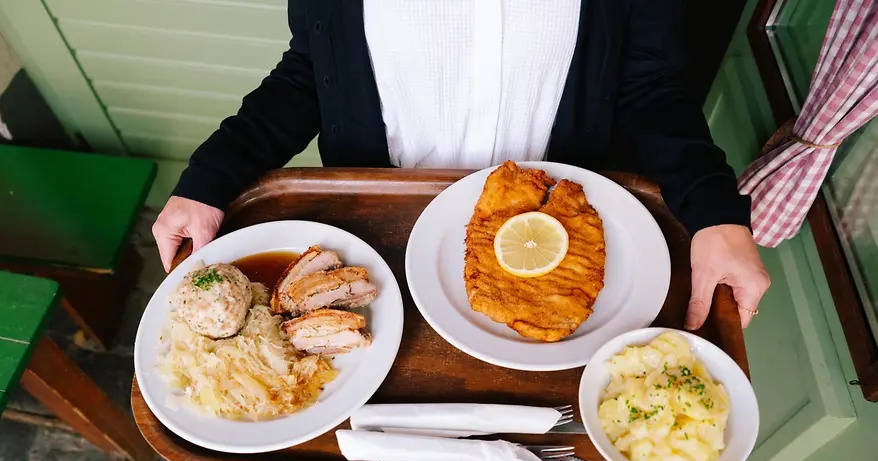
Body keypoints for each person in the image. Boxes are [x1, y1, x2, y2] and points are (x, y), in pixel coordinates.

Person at [153, 0, 770, 330]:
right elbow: (310, 71)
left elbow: (652, 88)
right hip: (377, 240)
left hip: (552, 243)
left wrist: (715, 210)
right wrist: (212, 175)